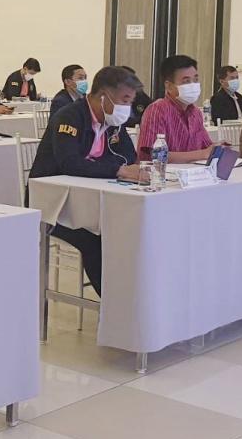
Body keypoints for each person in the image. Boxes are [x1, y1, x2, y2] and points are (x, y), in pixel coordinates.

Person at [29, 66, 142, 295]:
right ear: (104, 97)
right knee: (98, 237)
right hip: (56, 207)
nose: (127, 108)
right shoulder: (69, 116)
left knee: (132, 230)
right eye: (124, 100)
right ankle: (112, 301)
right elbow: (70, 164)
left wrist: (120, 168)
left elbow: (129, 157)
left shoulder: (112, 120)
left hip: (92, 200)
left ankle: (133, 295)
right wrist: (117, 170)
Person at [137, 55, 217, 163]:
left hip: (192, 171)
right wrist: (202, 154)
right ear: (169, 86)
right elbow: (155, 155)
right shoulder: (157, 110)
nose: (193, 85)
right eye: (186, 81)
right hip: (162, 172)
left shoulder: (196, 113)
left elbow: (207, 147)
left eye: (195, 80)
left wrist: (218, 148)